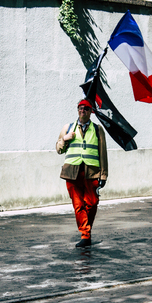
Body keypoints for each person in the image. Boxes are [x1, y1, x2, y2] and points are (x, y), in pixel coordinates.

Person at [56, 99, 108, 248]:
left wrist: (103, 175)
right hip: (72, 172)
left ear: (91, 111)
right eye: (80, 108)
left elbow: (103, 153)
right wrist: (65, 139)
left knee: (92, 203)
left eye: (86, 108)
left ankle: (86, 232)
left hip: (92, 172)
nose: (82, 110)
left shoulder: (98, 130)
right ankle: (86, 235)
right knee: (78, 205)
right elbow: (59, 149)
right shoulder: (68, 127)